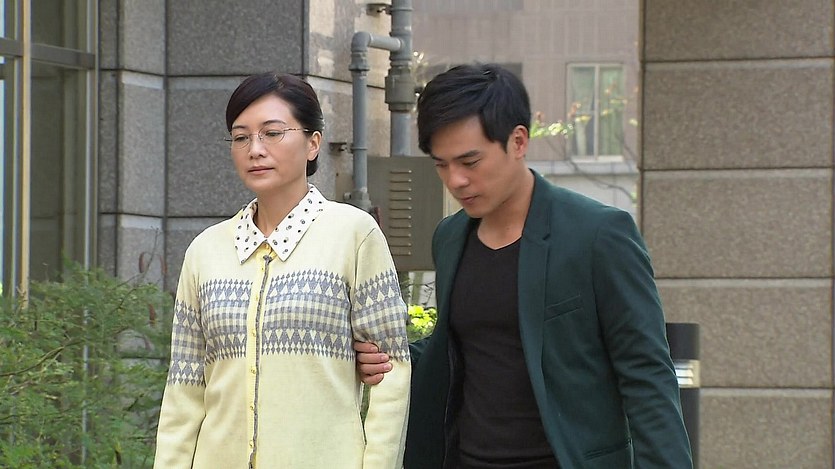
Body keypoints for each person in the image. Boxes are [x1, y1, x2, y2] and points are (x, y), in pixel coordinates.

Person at [355, 63, 692, 468]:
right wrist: (387, 354)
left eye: (470, 161)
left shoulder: (598, 235)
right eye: (442, 164)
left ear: (518, 142)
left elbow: (647, 375)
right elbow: (466, 345)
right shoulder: (450, 236)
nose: (456, 180)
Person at [154, 72, 411, 469]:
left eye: (272, 133)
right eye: (241, 137)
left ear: (313, 143)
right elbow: (184, 389)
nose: (255, 149)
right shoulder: (206, 251)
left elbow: (391, 372)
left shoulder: (353, 235)